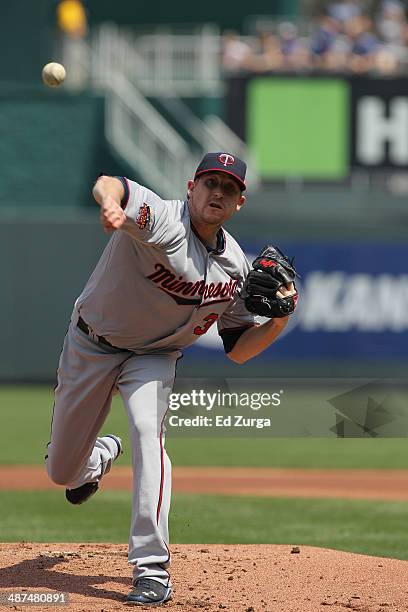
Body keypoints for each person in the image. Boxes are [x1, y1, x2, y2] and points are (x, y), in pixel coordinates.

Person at [45, 152, 296, 606]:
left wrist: (277, 324)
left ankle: (151, 568)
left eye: (229, 188)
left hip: (155, 356)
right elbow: (111, 182)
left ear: (240, 202)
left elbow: (238, 350)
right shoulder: (161, 218)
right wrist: (110, 206)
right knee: (61, 470)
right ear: (191, 187)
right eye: (210, 183)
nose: (217, 192)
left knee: (147, 431)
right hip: (92, 343)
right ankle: (98, 455)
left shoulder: (235, 269)